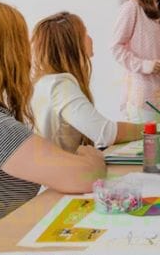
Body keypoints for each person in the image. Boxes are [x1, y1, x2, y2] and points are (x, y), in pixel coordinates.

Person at [0, 0, 106, 237]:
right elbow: (87, 177)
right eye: (22, 42)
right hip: (2, 248)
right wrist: (91, 156)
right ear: (6, 53)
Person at [31, 12, 142, 153]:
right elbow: (106, 133)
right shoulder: (59, 86)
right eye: (85, 33)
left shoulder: (45, 81)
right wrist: (155, 128)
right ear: (72, 45)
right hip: (57, 173)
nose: (90, 38)